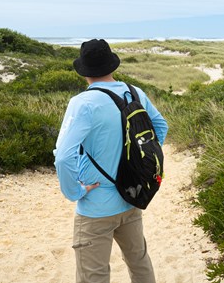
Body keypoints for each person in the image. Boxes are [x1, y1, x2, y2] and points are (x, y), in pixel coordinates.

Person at [54, 39, 169, 283]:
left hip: (96, 205)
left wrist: (75, 191)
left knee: (93, 276)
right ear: (111, 65)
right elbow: (160, 127)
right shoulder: (135, 92)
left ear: (84, 71)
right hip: (132, 195)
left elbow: (63, 157)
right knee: (140, 263)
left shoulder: (83, 103)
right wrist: (139, 164)